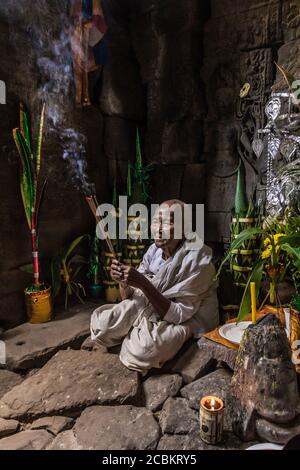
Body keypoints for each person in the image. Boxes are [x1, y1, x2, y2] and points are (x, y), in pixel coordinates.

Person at [90, 200, 219, 373]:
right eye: (156, 221)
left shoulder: (198, 262)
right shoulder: (154, 251)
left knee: (144, 351)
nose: (158, 228)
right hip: (151, 304)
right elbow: (128, 296)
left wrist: (142, 283)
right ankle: (139, 328)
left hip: (186, 317)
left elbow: (178, 315)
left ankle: (157, 332)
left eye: (167, 222)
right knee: (103, 327)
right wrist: (124, 282)